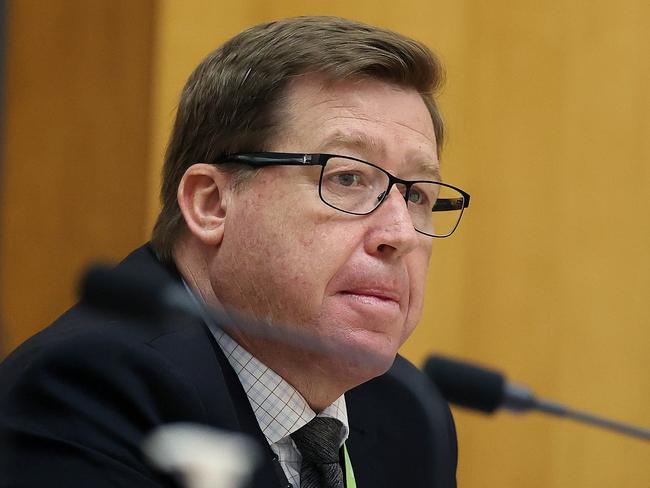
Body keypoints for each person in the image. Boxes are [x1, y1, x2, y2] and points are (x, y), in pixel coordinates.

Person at [0, 16, 468, 488]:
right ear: (212, 204)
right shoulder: (89, 391)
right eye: (346, 178)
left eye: (415, 195)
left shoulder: (407, 414)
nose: (400, 233)